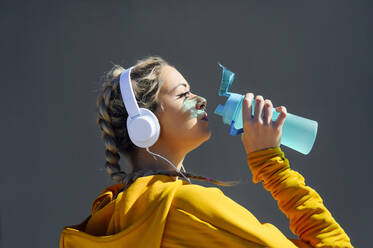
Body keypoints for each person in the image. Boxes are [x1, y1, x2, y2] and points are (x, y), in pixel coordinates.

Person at [59, 56, 353, 248]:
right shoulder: (185, 206)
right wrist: (270, 164)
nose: (200, 100)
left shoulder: (116, 216)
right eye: (183, 93)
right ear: (145, 123)